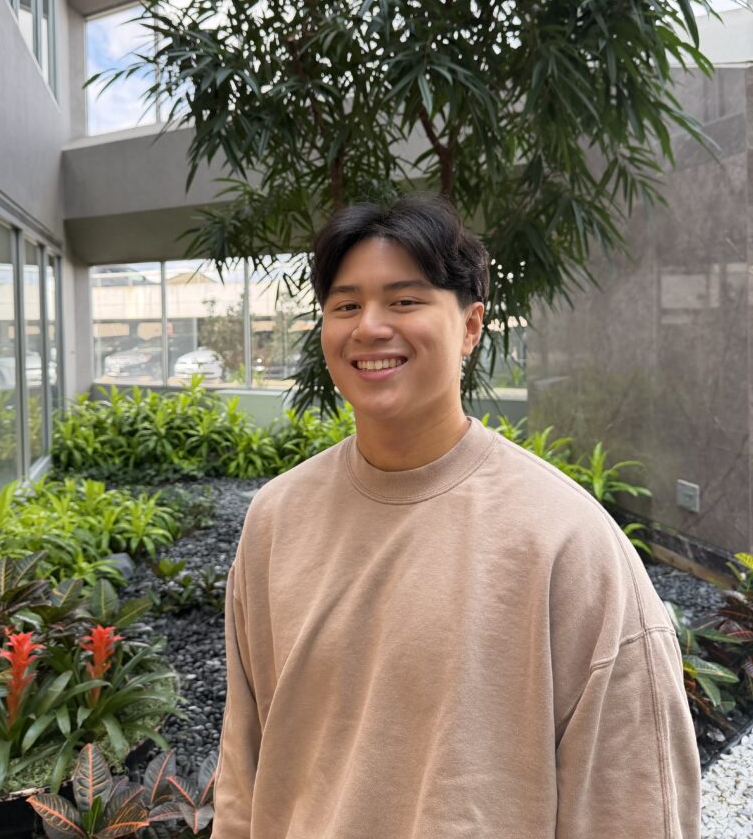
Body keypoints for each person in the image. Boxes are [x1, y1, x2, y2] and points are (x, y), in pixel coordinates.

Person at [211, 192, 701, 839]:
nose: (370, 327)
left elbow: (634, 804)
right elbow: (244, 762)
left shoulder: (565, 541)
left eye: (405, 300)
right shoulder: (277, 519)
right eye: (346, 305)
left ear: (471, 326)